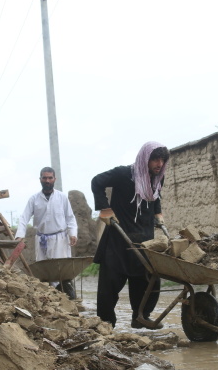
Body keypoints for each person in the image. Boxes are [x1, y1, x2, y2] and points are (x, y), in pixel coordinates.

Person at [91, 141, 170, 328]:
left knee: (148, 279)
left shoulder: (158, 178)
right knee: (110, 284)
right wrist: (105, 208)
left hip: (145, 238)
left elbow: (155, 196)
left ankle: (140, 316)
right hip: (119, 237)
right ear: (145, 159)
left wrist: (157, 212)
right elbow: (97, 181)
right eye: (155, 159)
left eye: (162, 160)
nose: (159, 164)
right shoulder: (124, 174)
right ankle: (105, 323)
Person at [15, 167, 78, 299]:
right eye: (44, 178)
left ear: (55, 179)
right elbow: (24, 217)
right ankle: (47, 299)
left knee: (62, 271)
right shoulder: (34, 199)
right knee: (44, 271)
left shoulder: (62, 197)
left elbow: (70, 217)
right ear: (40, 180)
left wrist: (73, 233)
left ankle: (68, 299)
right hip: (41, 239)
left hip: (60, 239)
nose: (47, 180)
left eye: (50, 178)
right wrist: (20, 235)